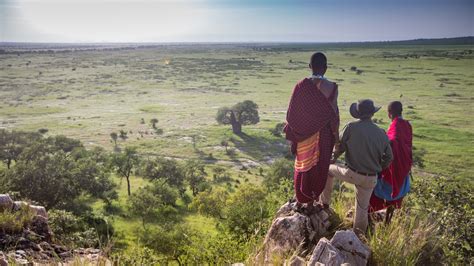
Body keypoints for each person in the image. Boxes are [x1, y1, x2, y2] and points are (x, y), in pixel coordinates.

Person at [320, 99, 393, 235]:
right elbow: (389, 157)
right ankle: (357, 239)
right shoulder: (381, 132)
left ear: (358, 114)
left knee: (328, 170)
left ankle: (324, 205)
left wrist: (334, 157)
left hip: (352, 173)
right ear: (372, 114)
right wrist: (377, 167)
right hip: (371, 178)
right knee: (362, 209)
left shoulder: (351, 127)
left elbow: (340, 146)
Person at [284, 52, 339, 204]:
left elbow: (291, 115)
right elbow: (334, 116)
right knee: (319, 168)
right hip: (324, 136)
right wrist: (337, 140)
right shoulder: (332, 87)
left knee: (304, 167)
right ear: (326, 68)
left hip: (303, 137)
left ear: (309, 67)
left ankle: (302, 199)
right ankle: (312, 200)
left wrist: (298, 133)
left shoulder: (301, 86)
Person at [369, 101, 413, 222]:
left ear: (389, 114)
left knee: (374, 191)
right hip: (404, 166)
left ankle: (369, 219)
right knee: (396, 197)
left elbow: (392, 141)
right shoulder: (407, 125)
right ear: (401, 111)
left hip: (393, 166)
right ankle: (388, 220)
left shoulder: (394, 126)